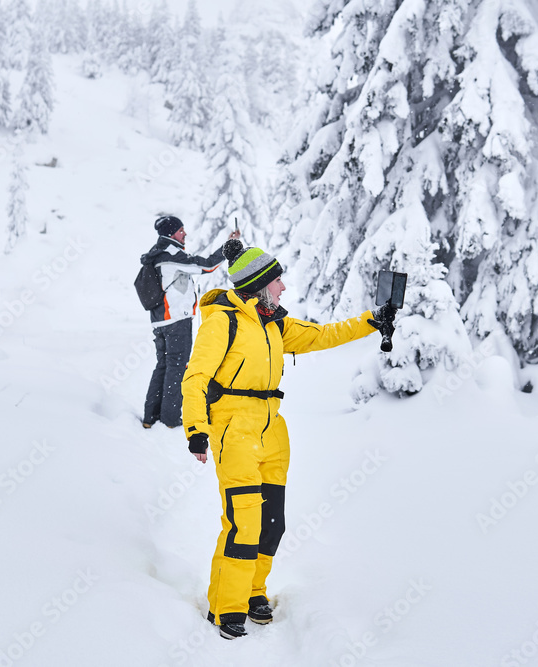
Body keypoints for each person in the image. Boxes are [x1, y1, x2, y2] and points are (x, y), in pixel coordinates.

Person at [181, 239, 397, 640]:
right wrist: (197, 430)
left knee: (271, 525)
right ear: (260, 284)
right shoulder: (222, 321)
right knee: (242, 524)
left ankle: (253, 593)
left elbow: (322, 335)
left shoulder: (275, 322)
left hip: (272, 431)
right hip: (234, 429)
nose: (283, 288)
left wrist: (373, 319)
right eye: (277, 280)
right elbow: (195, 379)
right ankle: (226, 606)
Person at [141, 215, 240, 429]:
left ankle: (151, 417)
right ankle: (169, 420)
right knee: (178, 367)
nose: (184, 234)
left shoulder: (157, 255)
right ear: (170, 234)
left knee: (164, 365)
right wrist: (229, 247)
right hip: (176, 320)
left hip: (161, 321)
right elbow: (207, 266)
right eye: (180, 230)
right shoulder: (171, 254)